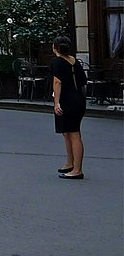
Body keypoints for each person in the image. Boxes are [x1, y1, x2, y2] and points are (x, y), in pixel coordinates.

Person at [50, 35, 88, 178]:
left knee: (73, 133)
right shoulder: (74, 61)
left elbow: (57, 83)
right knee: (68, 132)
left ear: (55, 47)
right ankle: (70, 162)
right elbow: (83, 81)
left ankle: (77, 169)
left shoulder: (56, 62)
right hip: (78, 98)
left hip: (67, 99)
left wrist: (56, 103)